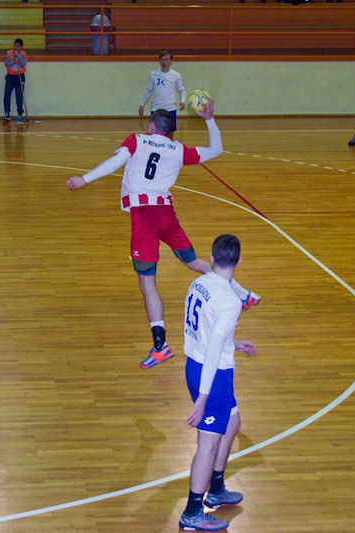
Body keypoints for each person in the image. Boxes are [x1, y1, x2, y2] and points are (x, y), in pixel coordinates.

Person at [66, 100, 260, 369]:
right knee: (193, 262)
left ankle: (160, 347)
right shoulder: (177, 149)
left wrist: (84, 179)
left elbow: (116, 161)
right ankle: (243, 294)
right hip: (166, 215)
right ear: (169, 131)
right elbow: (216, 150)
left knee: (147, 284)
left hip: (144, 218)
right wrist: (209, 119)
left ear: (150, 126)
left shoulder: (137, 140)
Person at [179, 233, 257, 532]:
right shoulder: (230, 301)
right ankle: (192, 512)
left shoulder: (199, 283)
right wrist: (202, 398)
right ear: (239, 261)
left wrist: (233, 343)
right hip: (212, 376)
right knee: (208, 444)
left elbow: (205, 332)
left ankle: (217, 488)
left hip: (197, 365)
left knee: (233, 423)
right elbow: (212, 350)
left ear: (211, 258)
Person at [139, 50, 187, 138]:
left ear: (171, 61)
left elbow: (182, 90)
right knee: (152, 134)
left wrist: (183, 101)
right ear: (159, 61)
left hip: (170, 109)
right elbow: (148, 90)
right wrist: (142, 104)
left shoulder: (176, 75)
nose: (164, 62)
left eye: (167, 59)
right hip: (156, 108)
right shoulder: (154, 74)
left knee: (170, 134)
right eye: (162, 59)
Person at [2, 38, 27, 123]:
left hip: (20, 76)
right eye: (15, 45)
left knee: (19, 96)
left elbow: (23, 64)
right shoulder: (9, 53)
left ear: (21, 47)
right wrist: (13, 61)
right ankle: (7, 113)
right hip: (10, 77)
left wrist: (18, 57)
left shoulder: (23, 54)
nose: (15, 47)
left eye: (18, 46)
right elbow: (6, 64)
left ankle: (20, 114)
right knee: (7, 94)